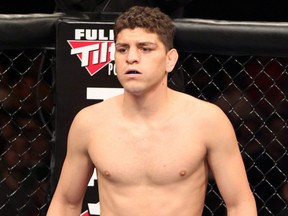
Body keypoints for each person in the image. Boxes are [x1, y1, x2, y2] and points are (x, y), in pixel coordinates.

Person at [47, 6, 257, 216]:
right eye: (122, 49)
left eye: (145, 48)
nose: (131, 58)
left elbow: (240, 204)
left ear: (170, 59)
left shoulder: (207, 121)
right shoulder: (89, 122)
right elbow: (66, 204)